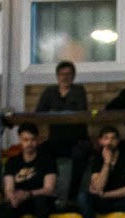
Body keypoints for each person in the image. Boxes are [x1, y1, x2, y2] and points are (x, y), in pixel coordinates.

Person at [34, 60, 91, 199]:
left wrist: (55, 112)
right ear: (57, 76)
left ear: (73, 76)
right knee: (41, 150)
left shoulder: (78, 90)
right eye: (62, 74)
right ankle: (48, 190)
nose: (65, 77)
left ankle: (72, 196)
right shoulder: (49, 91)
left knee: (81, 152)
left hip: (77, 140)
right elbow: (39, 113)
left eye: (68, 74)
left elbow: (80, 111)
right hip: (56, 140)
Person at [3, 122, 57, 218]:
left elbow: (49, 189)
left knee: (41, 201)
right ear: (20, 140)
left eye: (32, 139)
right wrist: (12, 197)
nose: (29, 144)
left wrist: (28, 194)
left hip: (40, 200)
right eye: (25, 140)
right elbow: (8, 188)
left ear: (37, 140)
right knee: (7, 207)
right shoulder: (12, 162)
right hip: (21, 201)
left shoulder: (46, 160)